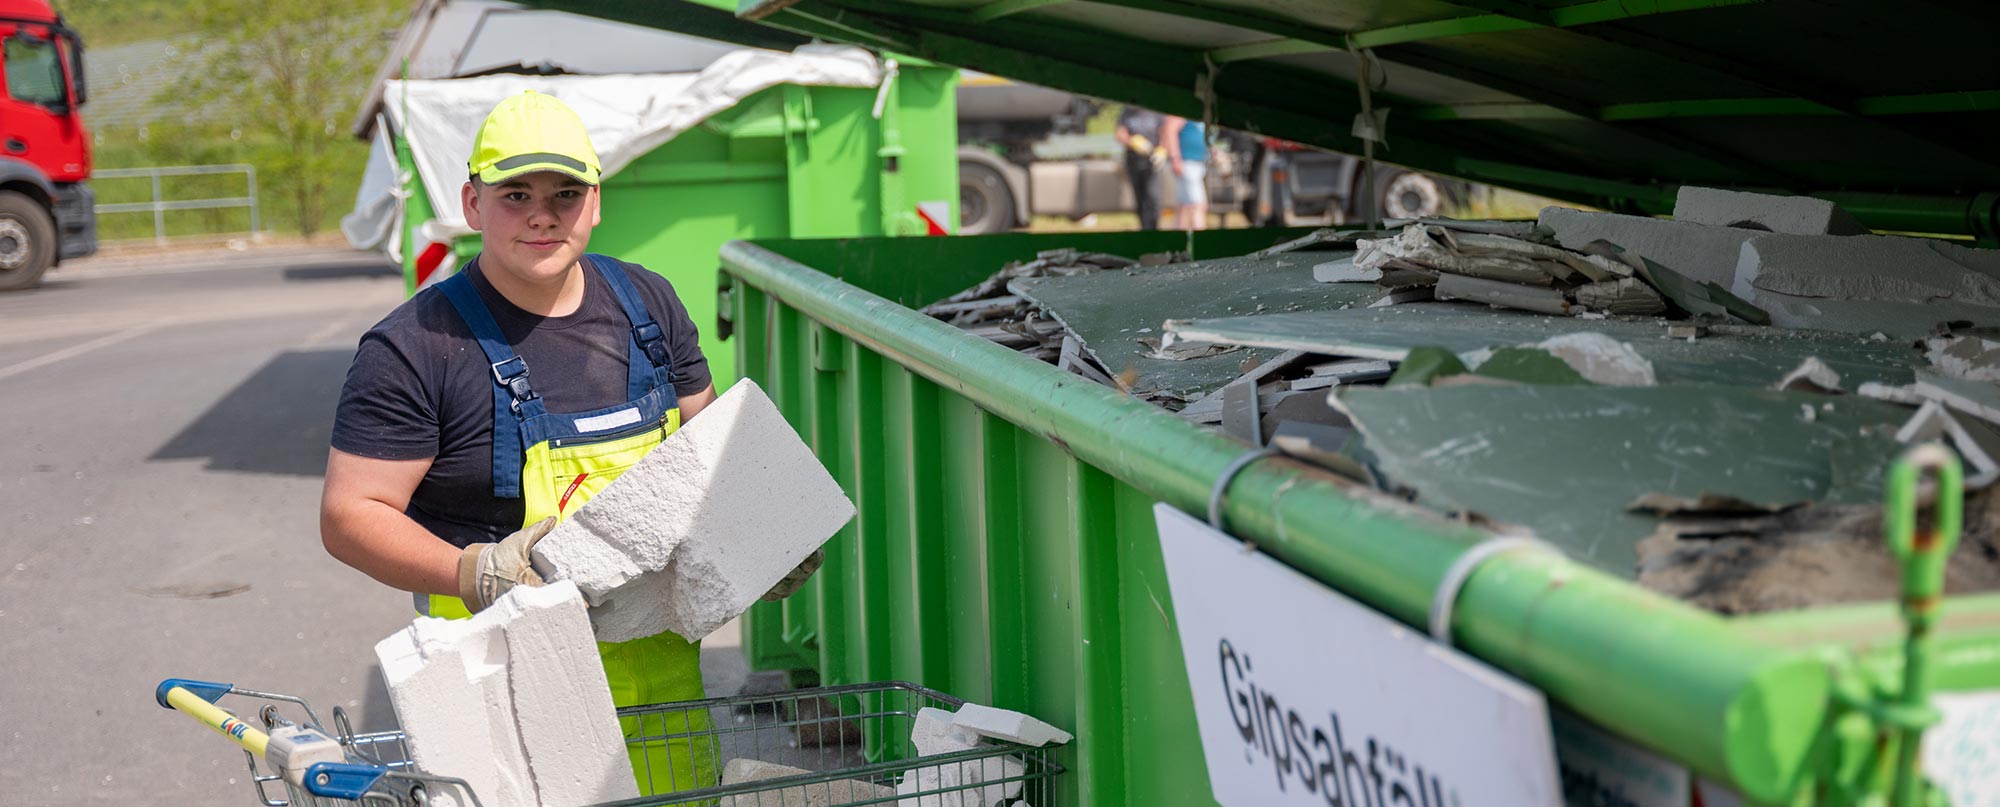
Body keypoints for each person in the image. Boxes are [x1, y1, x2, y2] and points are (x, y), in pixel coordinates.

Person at [319, 90, 818, 796]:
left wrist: (760, 544)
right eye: (515, 192)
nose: (543, 214)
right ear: (472, 203)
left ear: (596, 201)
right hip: (510, 706)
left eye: (565, 191)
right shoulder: (416, 347)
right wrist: (476, 571)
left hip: (663, 708)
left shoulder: (647, 305)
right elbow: (350, 514)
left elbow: (710, 455)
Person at [1114, 105, 1165, 231]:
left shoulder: (1156, 112)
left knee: (1152, 195)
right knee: (1140, 198)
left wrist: (1162, 149)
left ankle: (1153, 228)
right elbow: (1120, 133)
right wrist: (1132, 141)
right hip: (1134, 160)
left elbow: (1164, 131)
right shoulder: (1127, 112)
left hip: (1152, 160)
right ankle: (1144, 227)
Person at [1163, 115, 1208, 231]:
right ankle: (1201, 239)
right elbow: (1169, 130)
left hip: (1197, 163)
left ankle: (1178, 239)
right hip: (1186, 163)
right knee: (1198, 205)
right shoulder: (1181, 112)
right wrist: (1175, 158)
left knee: (1183, 206)